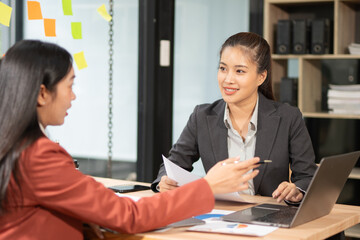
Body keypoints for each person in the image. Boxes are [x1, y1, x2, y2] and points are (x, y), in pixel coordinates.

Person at [0, 40, 260, 240]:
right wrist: (207, 186)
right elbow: (130, 216)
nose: (73, 97)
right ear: (43, 94)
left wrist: (79, 212)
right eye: (70, 85)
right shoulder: (38, 156)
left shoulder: (16, 147)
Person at [152, 32, 318, 205]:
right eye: (223, 68)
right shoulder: (202, 116)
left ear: (261, 77)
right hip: (219, 214)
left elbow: (307, 177)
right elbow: (173, 165)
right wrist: (164, 181)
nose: (228, 79)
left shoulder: (288, 118)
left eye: (239, 71)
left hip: (269, 215)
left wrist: (297, 190)